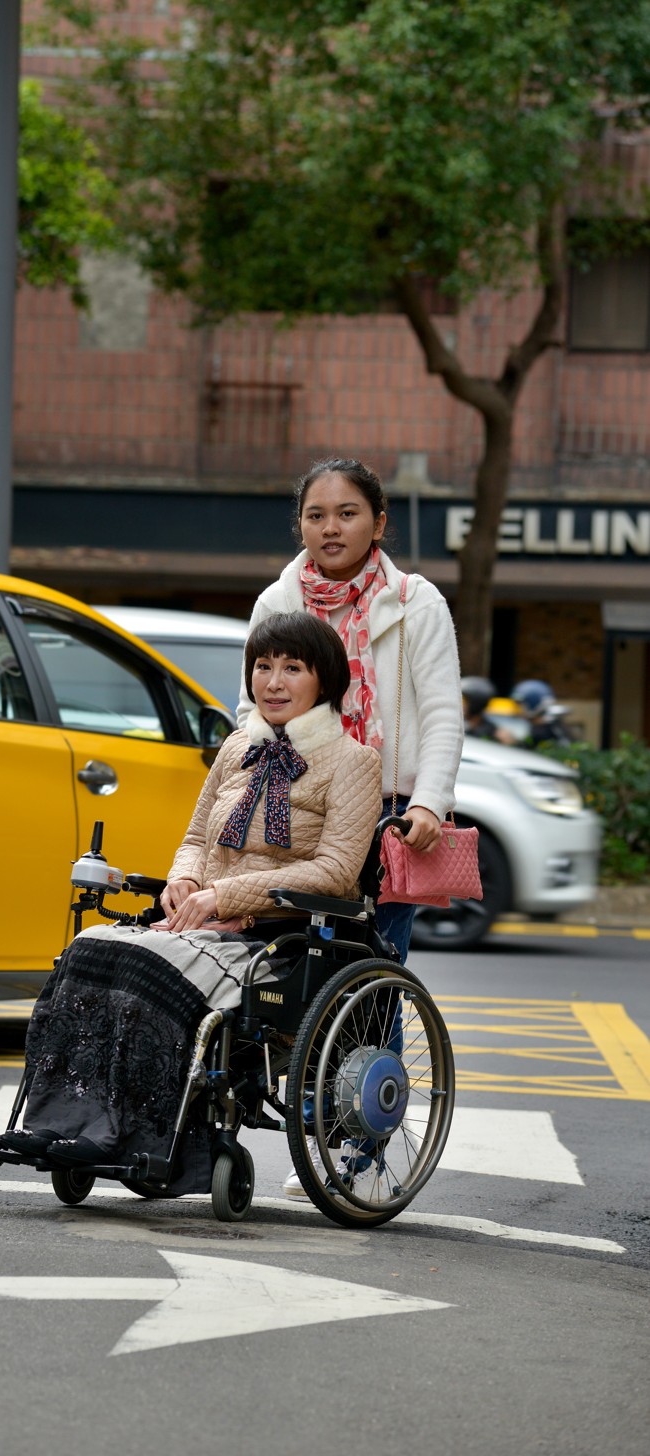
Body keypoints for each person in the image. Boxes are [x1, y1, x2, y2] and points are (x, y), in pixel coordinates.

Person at [0, 612, 382, 1194]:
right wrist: (183, 881)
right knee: (88, 948)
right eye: (263, 667)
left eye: (291, 669)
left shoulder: (354, 762)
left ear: (323, 681)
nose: (272, 682)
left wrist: (226, 895)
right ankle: (69, 1122)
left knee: (150, 968)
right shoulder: (236, 749)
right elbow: (197, 839)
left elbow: (335, 872)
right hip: (202, 921)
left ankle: (145, 1135)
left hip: (279, 939)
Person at [235, 458, 464, 1198]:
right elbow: (253, 704)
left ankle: (359, 1142)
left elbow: (440, 713)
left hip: (392, 818)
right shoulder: (280, 595)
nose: (330, 528)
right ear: (299, 524)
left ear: (379, 523)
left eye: (347, 513)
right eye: (316, 515)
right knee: (282, 972)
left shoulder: (414, 602)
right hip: (295, 805)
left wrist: (429, 800)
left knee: (370, 979)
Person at [511, 679, 574, 747]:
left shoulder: (545, 731)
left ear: (533, 703)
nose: (518, 709)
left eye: (520, 705)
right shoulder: (533, 726)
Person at [461, 675, 520, 745]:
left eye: (463, 700)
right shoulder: (454, 725)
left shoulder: (494, 734)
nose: (459, 704)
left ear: (476, 703)